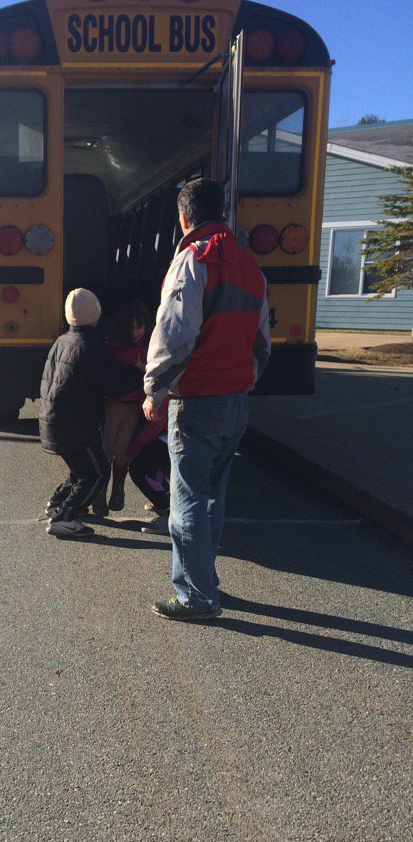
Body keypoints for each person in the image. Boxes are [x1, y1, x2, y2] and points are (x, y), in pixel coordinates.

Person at [143, 177, 270, 620]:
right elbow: (261, 340)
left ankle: (196, 596)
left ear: (183, 218)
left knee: (188, 501)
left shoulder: (192, 261)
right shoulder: (249, 264)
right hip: (235, 400)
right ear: (222, 212)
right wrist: (245, 380)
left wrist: (155, 388)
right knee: (214, 495)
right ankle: (206, 580)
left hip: (198, 399)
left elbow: (175, 334)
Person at [39, 288, 142, 538]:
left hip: (53, 419)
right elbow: (113, 382)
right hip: (76, 424)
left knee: (81, 469)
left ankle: (57, 505)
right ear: (95, 314)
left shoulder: (62, 340)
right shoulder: (91, 345)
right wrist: (138, 372)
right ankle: (65, 517)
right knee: (97, 472)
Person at [92, 299, 151, 515]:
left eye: (140, 326)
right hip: (111, 405)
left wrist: (143, 369)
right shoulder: (112, 347)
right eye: (130, 327)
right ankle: (99, 493)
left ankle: (118, 488)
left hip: (134, 408)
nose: (136, 332)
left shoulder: (151, 347)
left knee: (123, 452)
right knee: (106, 451)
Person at [124, 399, 171, 535]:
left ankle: (168, 514)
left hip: (179, 434)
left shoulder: (161, 384)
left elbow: (155, 424)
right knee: (153, 467)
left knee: (139, 469)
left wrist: (132, 452)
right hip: (174, 431)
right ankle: (165, 501)